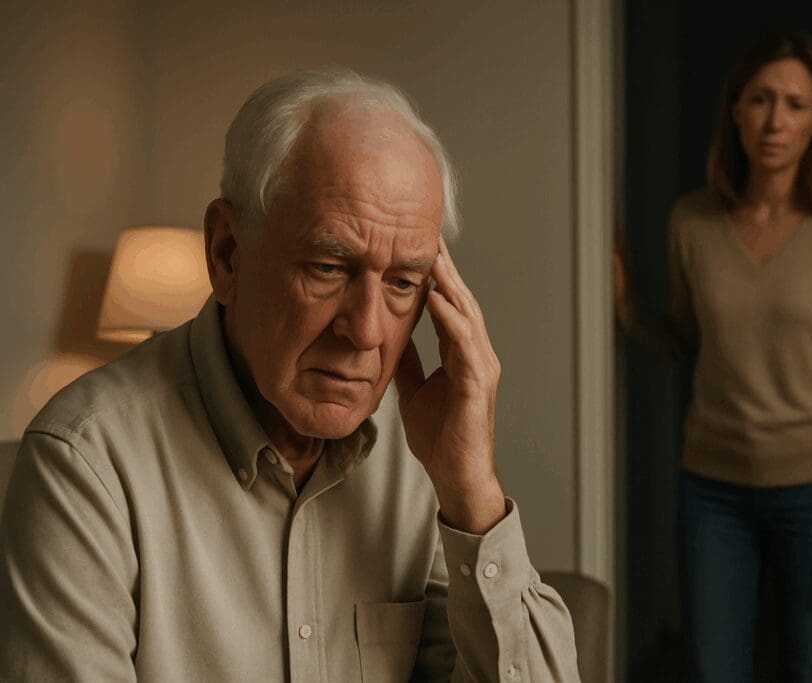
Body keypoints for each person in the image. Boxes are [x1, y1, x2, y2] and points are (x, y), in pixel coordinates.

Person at [0, 67, 580, 682]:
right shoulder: (86, 464)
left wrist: (472, 495)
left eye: (403, 283)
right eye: (329, 267)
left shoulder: (423, 454)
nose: (366, 331)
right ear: (226, 254)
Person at [615, 32, 812, 682]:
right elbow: (684, 339)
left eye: (795, 104)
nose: (775, 120)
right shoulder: (690, 221)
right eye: (760, 99)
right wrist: (627, 305)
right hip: (713, 491)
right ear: (735, 110)